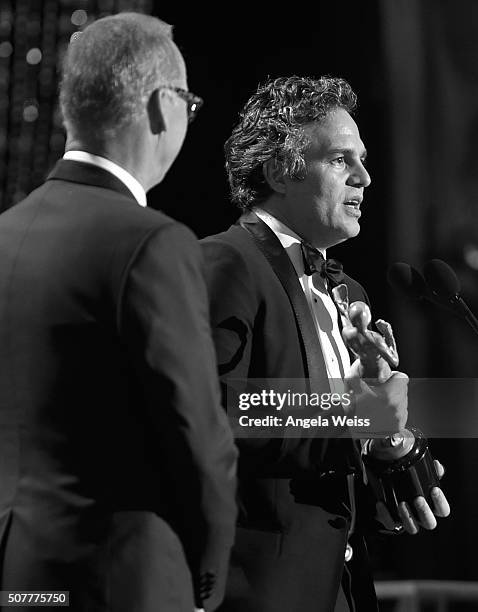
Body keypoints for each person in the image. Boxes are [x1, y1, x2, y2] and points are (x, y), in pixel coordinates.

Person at [0, 13, 237, 612]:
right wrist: (206, 587)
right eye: (190, 100)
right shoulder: (157, 244)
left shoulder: (4, 235)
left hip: (22, 580)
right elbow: (203, 434)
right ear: (163, 106)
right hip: (121, 583)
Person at [201, 76, 449, 612]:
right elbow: (211, 409)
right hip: (256, 595)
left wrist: (391, 443)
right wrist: (353, 413)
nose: (365, 176)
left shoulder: (346, 291)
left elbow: (341, 447)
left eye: (361, 159)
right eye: (340, 160)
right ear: (279, 171)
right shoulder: (225, 263)